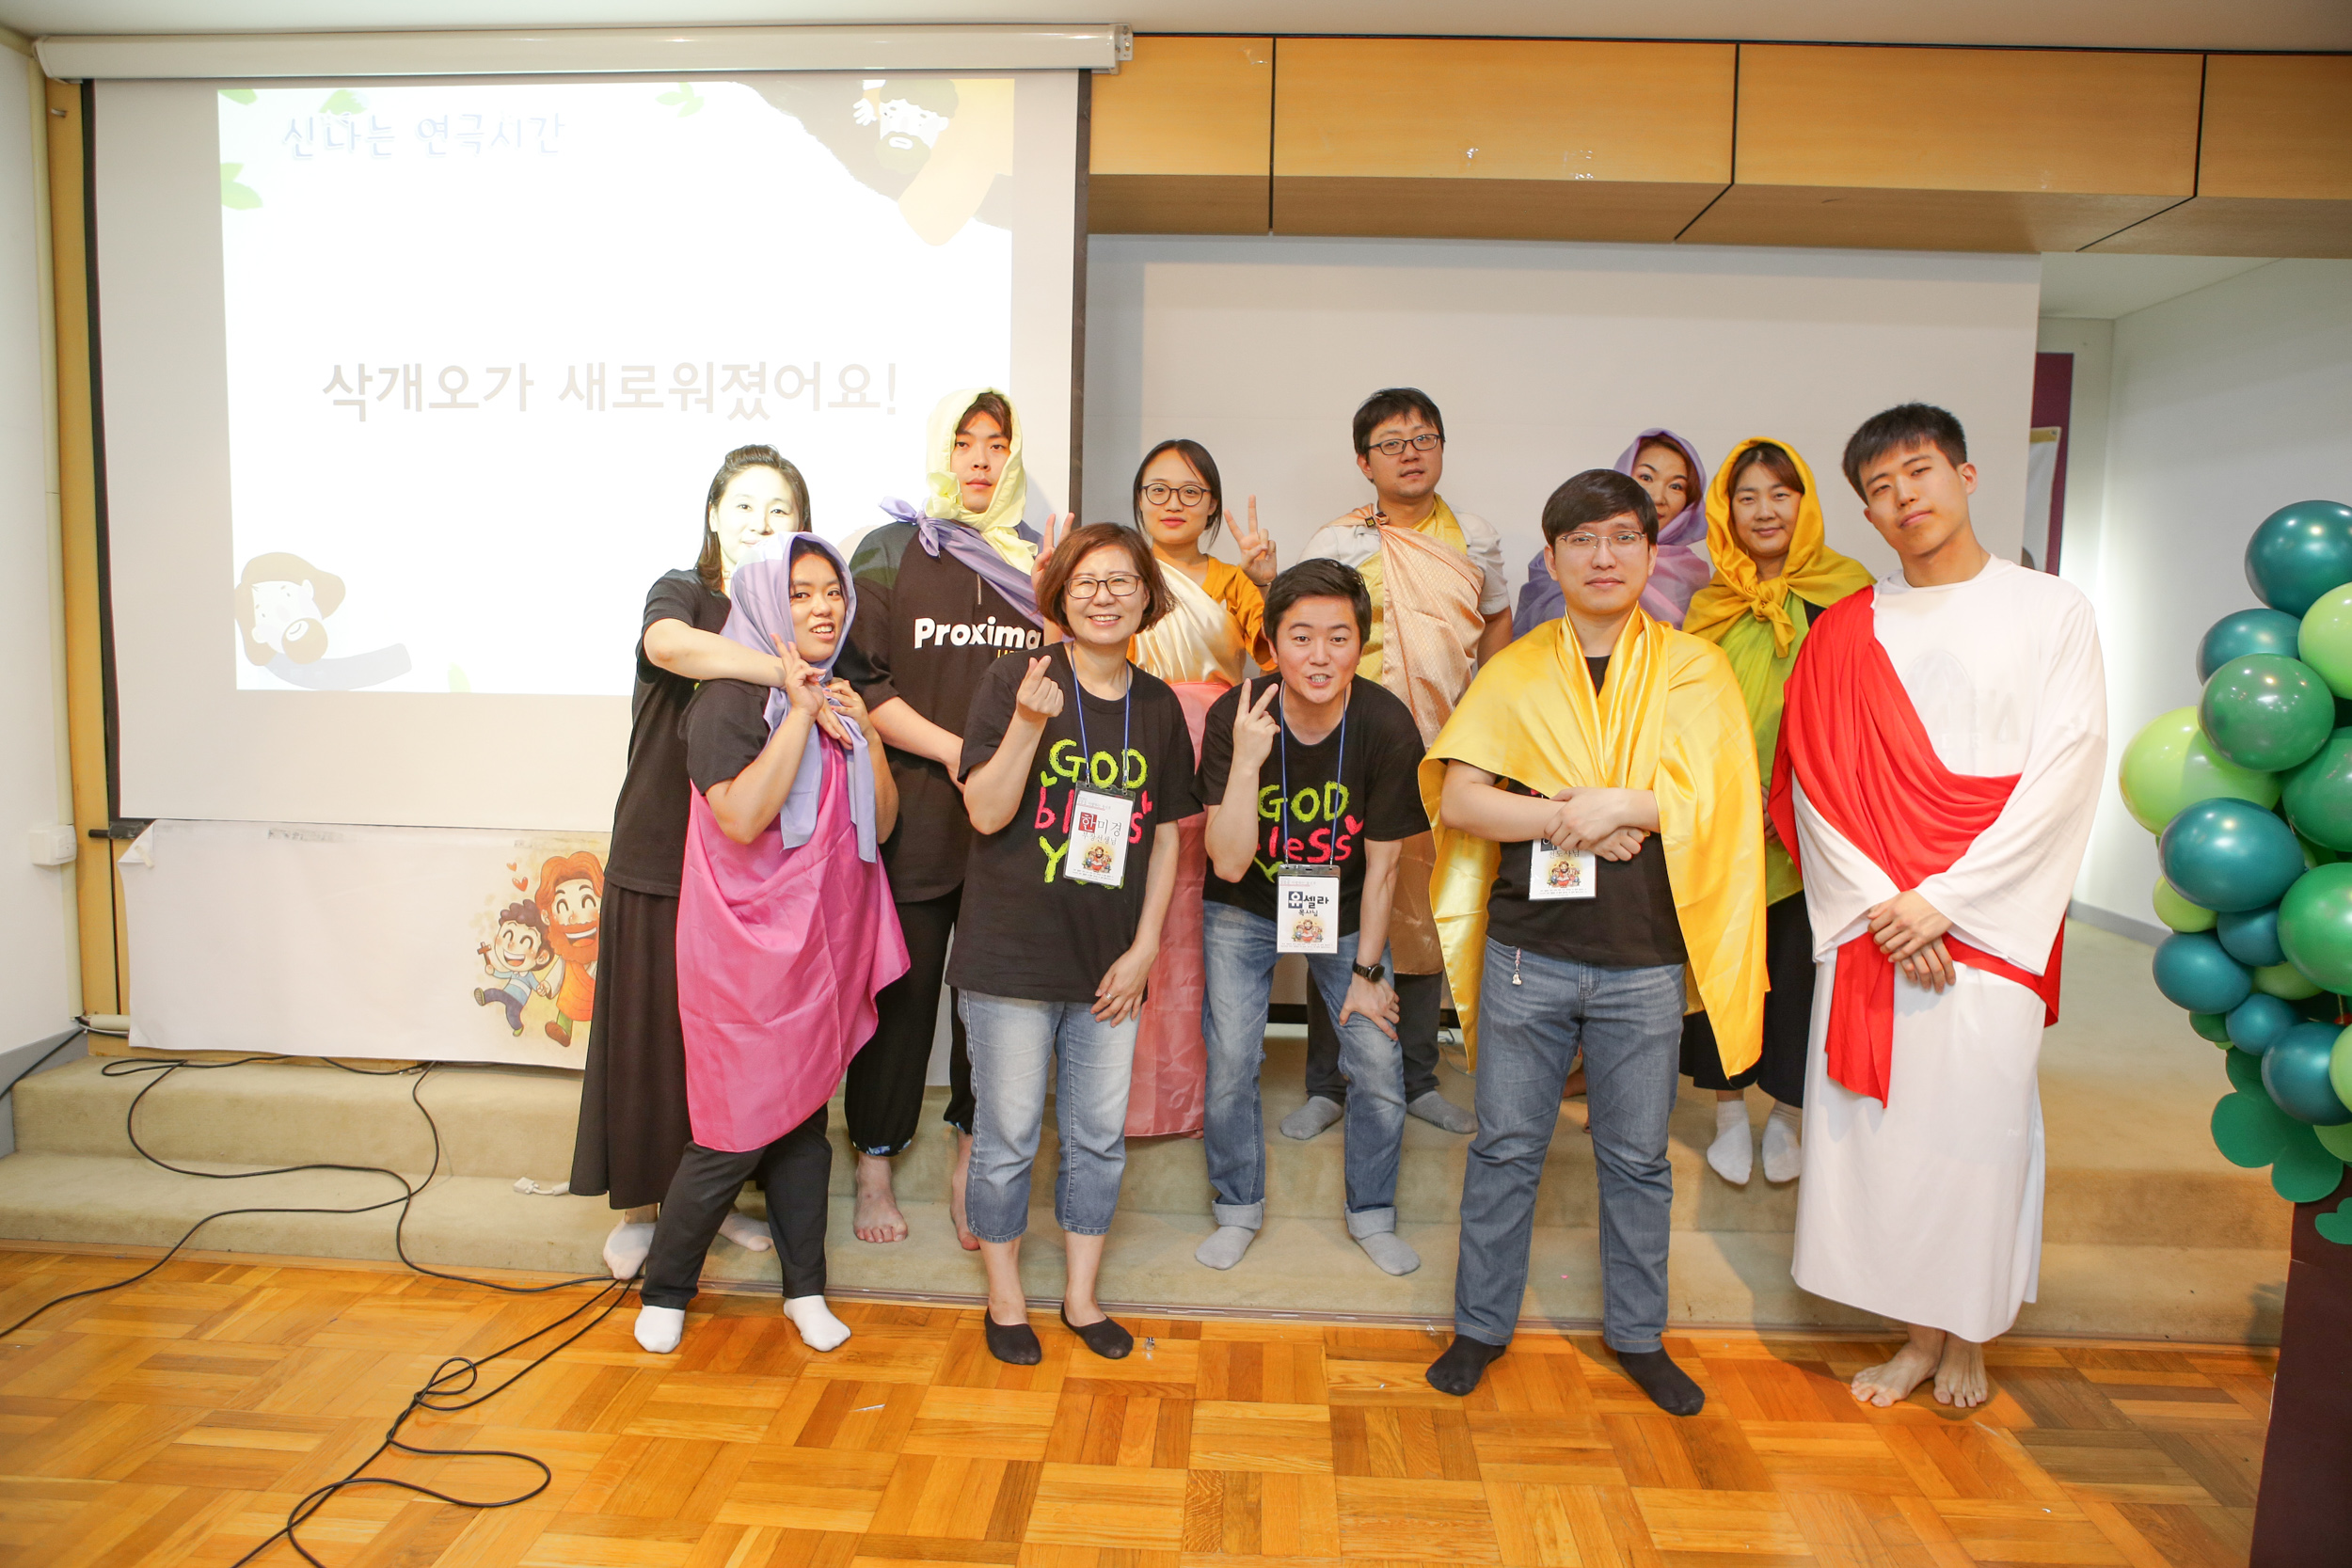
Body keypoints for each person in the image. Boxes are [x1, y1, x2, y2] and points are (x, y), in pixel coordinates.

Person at [1774, 404, 2105, 1410]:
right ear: (1867, 515)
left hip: (1990, 924)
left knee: (1977, 1131)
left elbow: (2067, 769)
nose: (1902, 496)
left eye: (1917, 471)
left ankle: (1970, 1334)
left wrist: (1947, 901)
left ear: (1964, 475)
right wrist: (1891, 909)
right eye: (1879, 488)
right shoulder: (1844, 630)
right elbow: (1812, 781)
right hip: (1877, 928)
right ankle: (1917, 1334)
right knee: (1885, 1141)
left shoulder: (2051, 609)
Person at [1420, 468, 1768, 1409]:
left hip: (1644, 962)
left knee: (1637, 1159)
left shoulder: (1695, 669)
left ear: (1652, 552)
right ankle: (1479, 1326)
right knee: (1505, 1147)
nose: (1602, 556)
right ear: (1552, 556)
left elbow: (1727, 801)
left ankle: (1639, 1336)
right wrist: (1567, 818)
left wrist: (1629, 805)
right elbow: (1461, 799)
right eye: (1582, 539)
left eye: (1621, 537)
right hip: (1527, 954)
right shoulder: (1516, 668)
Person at [633, 535, 907, 1356]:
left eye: (832, 591)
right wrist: (797, 711)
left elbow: (879, 826)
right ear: (762, 604)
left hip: (818, 956)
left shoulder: (837, 697)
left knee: (802, 1130)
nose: (823, 607)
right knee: (730, 1134)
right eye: (800, 593)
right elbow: (744, 815)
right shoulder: (726, 701)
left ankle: (805, 1289)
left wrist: (869, 736)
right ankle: (667, 1288)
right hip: (743, 958)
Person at [953, 523, 1199, 1364]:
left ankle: (1082, 1297)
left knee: (1097, 1135)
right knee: (1008, 1137)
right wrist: (1027, 723)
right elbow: (985, 811)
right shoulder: (1012, 680)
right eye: (1086, 581)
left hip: (1110, 966)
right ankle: (1006, 1297)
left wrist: (1145, 949)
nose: (1103, 596)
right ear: (1060, 594)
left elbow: (1165, 836)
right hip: (1010, 958)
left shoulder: (1157, 706)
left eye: (1121, 580)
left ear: (1147, 596)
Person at [837, 388, 1069, 1248]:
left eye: (997, 442)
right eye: (965, 441)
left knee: (993, 1008)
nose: (980, 457)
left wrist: (1057, 600)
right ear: (943, 450)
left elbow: (1059, 683)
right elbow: (863, 683)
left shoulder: (1035, 558)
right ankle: (873, 1164)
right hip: (916, 820)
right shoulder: (891, 547)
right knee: (898, 1003)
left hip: (1009, 825)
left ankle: (971, 1155)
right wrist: (958, 754)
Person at [570, 445, 809, 1280]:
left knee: (722, 1048)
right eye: (743, 505)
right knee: (650, 1041)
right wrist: (779, 670)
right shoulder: (684, 591)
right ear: (713, 514)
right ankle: (641, 1209)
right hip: (660, 858)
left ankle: (709, 1198)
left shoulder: (797, 615)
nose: (759, 523)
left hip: (746, 875)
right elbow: (668, 646)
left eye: (778, 510)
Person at [1194, 559, 1431, 1275]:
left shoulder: (1386, 724)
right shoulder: (1235, 716)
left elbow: (1385, 868)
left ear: (1362, 641)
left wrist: (1368, 974)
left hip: (1349, 905)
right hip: (1244, 904)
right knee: (1232, 1059)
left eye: (1338, 636)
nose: (1319, 656)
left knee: (1377, 1060)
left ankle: (1373, 1212)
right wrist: (1246, 762)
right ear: (1271, 643)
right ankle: (1237, 1206)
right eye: (1300, 637)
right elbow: (1226, 862)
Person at [1295, 388, 1502, 1142]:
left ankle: (1417, 1076)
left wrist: (1490, 714)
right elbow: (1304, 633)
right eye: (1391, 442)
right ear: (1364, 461)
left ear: (1442, 446)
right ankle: (1328, 1081)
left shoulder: (1474, 537)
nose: (1410, 453)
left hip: (1444, 753)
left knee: (1423, 912)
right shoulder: (1336, 539)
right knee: (1330, 911)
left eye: (1423, 438)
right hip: (1345, 752)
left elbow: (1495, 620)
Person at [1677, 439, 1872, 1186]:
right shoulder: (1709, 604)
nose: (1764, 510)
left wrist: (1792, 797)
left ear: (1806, 503)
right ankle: (1728, 1109)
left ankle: (1788, 1111)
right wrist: (1730, 796)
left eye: (1780, 494)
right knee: (1722, 963)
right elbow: (1684, 714)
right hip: (1723, 820)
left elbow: (1861, 713)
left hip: (1814, 821)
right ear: (1726, 510)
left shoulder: (1848, 593)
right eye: (1747, 496)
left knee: (1801, 968)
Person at [1123, 439, 1279, 1137]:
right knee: (1134, 907)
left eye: (1191, 492)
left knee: (1196, 917)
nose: (1174, 504)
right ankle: (1123, 1096)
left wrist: (1268, 585)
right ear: (1138, 499)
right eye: (1158, 490)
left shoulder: (1233, 582)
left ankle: (1192, 1099)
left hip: (1216, 752)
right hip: (1133, 744)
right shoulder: (1121, 572)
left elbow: (1275, 662)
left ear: (1212, 504)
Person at [1514, 430, 1710, 635]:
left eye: (1676, 486)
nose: (1658, 497)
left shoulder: (1693, 576)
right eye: (1646, 477)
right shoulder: (1561, 558)